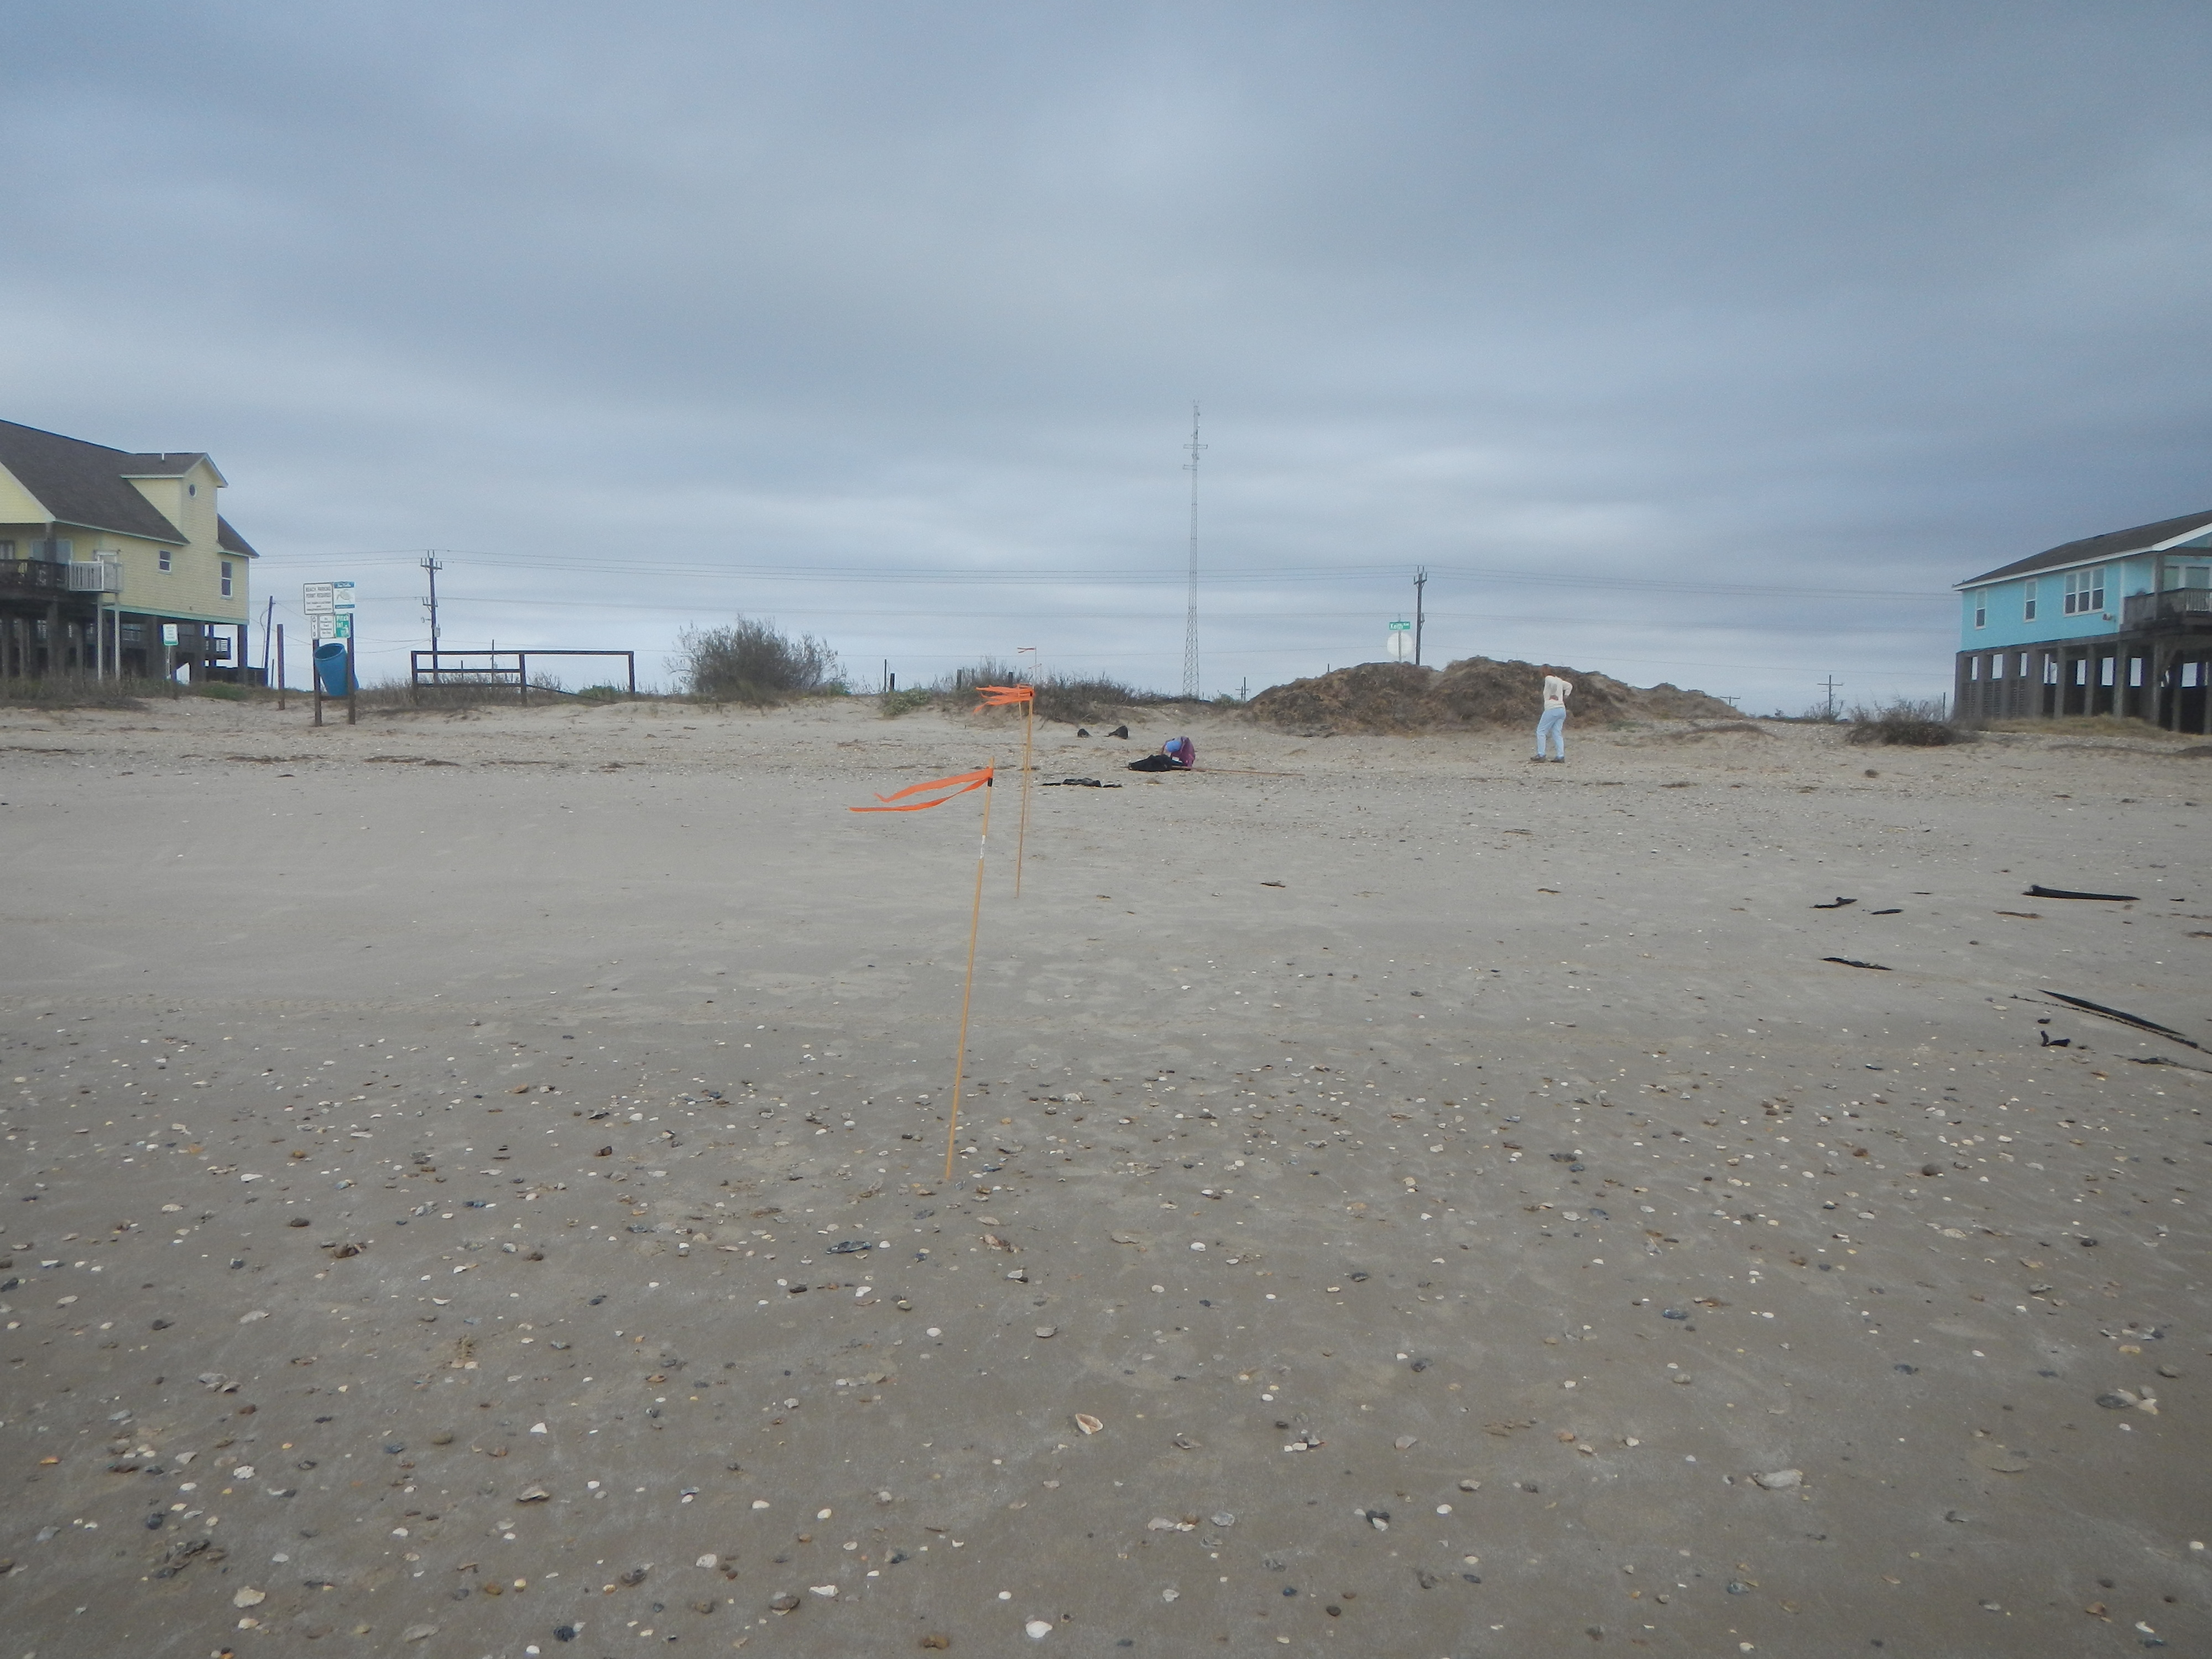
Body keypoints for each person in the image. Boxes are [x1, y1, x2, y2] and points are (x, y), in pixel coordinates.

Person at [1533, 669, 1572, 761]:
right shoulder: (1559, 680)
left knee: (1541, 731)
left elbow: (1553, 685)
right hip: (1562, 709)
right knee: (1557, 733)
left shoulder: (1548, 678)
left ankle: (1541, 755)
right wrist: (1565, 697)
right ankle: (1560, 756)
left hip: (1552, 708)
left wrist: (1554, 695)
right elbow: (1569, 686)